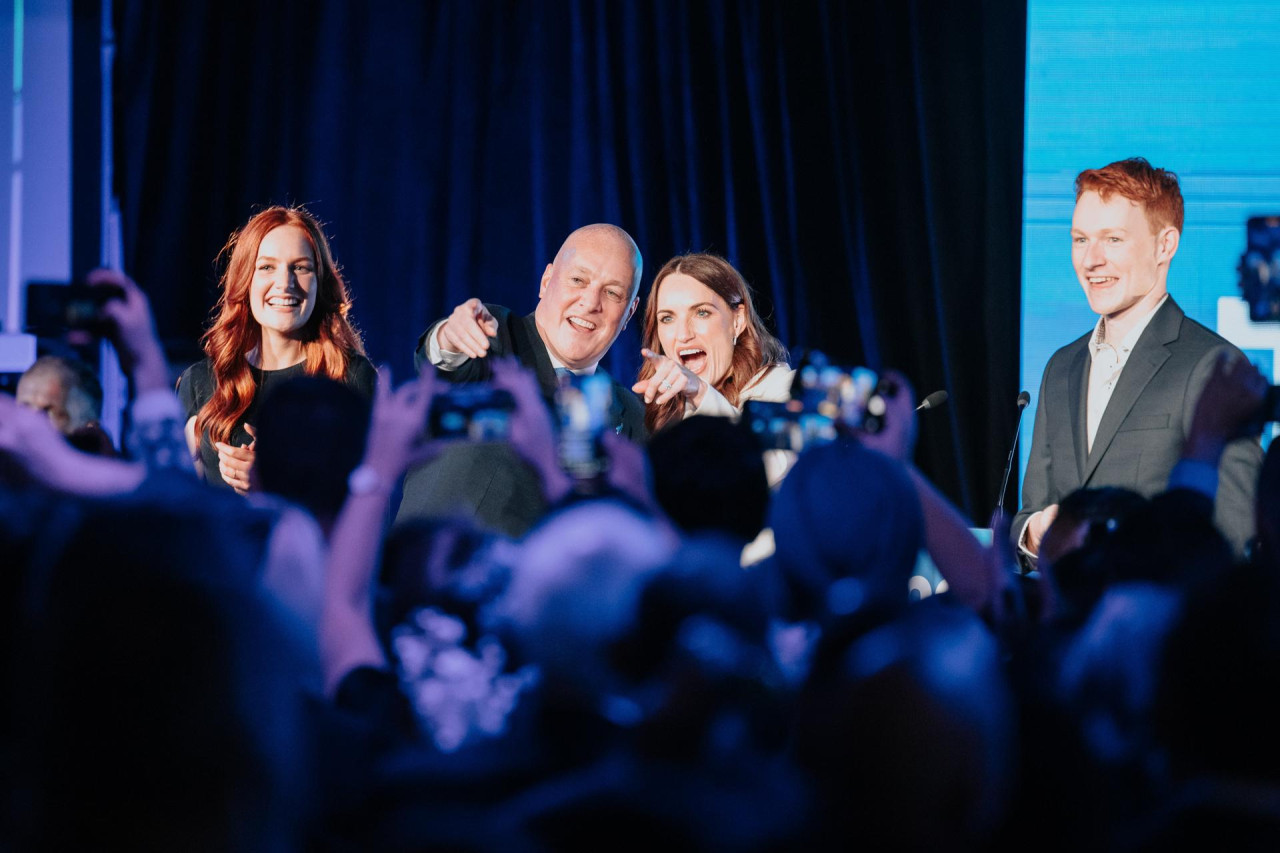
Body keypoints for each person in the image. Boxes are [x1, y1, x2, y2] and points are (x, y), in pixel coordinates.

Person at [1014, 158, 1262, 563]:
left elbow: (1234, 535)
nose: (1091, 259)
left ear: (1165, 245)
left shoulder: (1211, 365)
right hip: (1069, 621)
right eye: (1080, 239)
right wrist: (1033, 532)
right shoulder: (1061, 367)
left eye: (1113, 239)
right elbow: (1031, 512)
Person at [396, 223, 645, 536]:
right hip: (435, 569)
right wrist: (449, 337)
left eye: (612, 292)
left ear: (629, 313)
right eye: (578, 280)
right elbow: (444, 366)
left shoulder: (631, 415)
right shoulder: (496, 336)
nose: (591, 302)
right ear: (546, 281)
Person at [178, 206, 375, 494]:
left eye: (301, 267)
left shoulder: (352, 379)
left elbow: (370, 502)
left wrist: (274, 481)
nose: (285, 283)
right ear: (246, 280)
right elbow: (179, 504)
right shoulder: (201, 382)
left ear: (320, 282)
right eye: (267, 267)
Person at [631, 253, 790, 433]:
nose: (683, 335)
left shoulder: (781, 389)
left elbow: (770, 459)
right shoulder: (655, 415)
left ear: (737, 321)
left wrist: (700, 392)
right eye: (667, 318)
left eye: (701, 313)